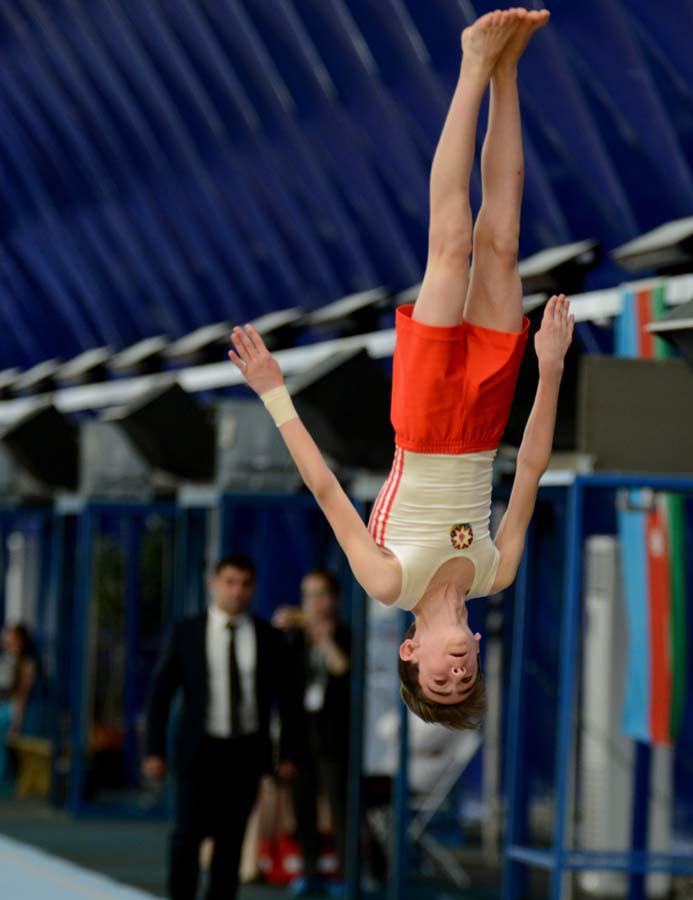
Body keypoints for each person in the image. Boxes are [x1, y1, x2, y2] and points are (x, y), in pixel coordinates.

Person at [228, 8, 572, 731]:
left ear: (410, 651)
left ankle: (474, 62)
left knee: (450, 247)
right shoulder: (494, 572)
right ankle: (509, 74)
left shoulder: (387, 581)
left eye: (439, 683)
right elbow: (533, 468)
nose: (455, 673)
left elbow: (323, 487)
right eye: (464, 679)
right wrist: (551, 368)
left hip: (424, 417)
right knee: (502, 243)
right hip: (485, 422)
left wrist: (274, 394)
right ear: (474, 648)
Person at [143, 554, 301, 900]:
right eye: (230, 583)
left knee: (230, 841)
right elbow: (160, 694)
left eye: (245, 584)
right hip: (198, 749)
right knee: (188, 835)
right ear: (214, 584)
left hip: (244, 751)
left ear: (253, 588)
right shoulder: (187, 632)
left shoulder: (268, 637)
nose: (237, 592)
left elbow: (288, 703)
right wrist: (153, 750)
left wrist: (287, 754)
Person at [285, 570, 353, 897]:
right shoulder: (295, 638)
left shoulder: (346, 634)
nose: (313, 602)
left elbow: (343, 669)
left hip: (334, 733)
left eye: (320, 594)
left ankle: (348, 874)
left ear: (334, 598)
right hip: (301, 732)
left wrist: (324, 640)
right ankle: (309, 872)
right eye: (307, 595)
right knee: (303, 805)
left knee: (340, 805)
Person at [0, 624, 41, 791]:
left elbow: (21, 695)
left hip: (13, 709)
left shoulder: (26, 663)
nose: (5, 640)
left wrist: (17, 721)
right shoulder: (8, 659)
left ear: (20, 640)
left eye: (10, 637)